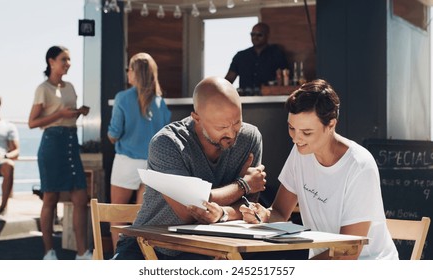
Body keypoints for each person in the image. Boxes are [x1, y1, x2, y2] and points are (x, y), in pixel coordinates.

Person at [240, 79, 399, 260]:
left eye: (307, 132)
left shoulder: (360, 166)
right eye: (292, 128)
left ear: (331, 124)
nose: (296, 138)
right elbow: (280, 212)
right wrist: (264, 215)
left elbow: (348, 252)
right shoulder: (300, 152)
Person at [113, 76, 266, 260]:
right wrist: (244, 184)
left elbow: (248, 207)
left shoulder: (250, 138)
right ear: (197, 119)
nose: (232, 133)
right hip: (147, 245)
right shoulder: (167, 143)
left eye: (237, 123)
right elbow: (189, 209)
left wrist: (222, 214)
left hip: (205, 248)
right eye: (222, 127)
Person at [28, 46, 92, 260]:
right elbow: (32, 123)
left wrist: (78, 113)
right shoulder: (43, 88)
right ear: (51, 61)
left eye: (70, 59)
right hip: (52, 146)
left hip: (71, 143)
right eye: (64, 59)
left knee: (81, 198)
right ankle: (49, 251)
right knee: (50, 198)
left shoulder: (70, 87)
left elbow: (68, 118)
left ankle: (82, 253)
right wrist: (59, 114)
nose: (68, 63)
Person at [107, 52, 171, 249]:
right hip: (151, 167)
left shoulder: (123, 98)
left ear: (135, 72)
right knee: (142, 222)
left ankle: (120, 262)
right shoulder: (161, 103)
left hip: (126, 163)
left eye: (129, 69)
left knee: (117, 218)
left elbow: (114, 133)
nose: (128, 72)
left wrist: (113, 137)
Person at [224, 22, 288, 95]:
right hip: (245, 100)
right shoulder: (240, 56)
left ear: (267, 35)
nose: (255, 37)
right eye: (252, 34)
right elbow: (228, 80)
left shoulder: (276, 54)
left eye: (259, 35)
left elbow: (286, 77)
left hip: (269, 98)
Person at [0, 96, 20, 215]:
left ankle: (2, 207)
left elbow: (16, 151)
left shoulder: (8, 126)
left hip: (1, 160)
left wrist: (5, 157)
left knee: (9, 165)